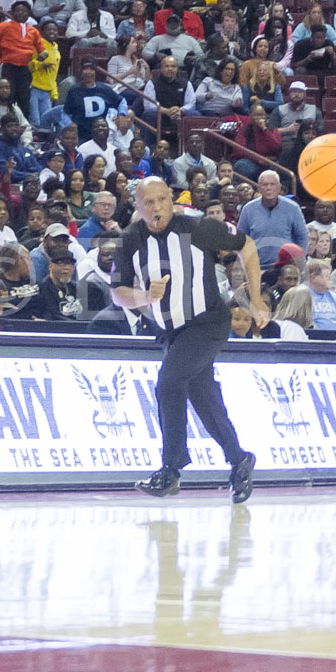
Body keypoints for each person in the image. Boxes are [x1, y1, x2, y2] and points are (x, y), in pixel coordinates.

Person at [112, 177, 267, 501]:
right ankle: (240, 459)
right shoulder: (129, 239)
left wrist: (256, 298)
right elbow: (117, 293)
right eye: (148, 202)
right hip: (171, 332)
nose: (156, 208)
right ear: (137, 206)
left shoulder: (199, 228)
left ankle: (170, 470)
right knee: (205, 400)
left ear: (172, 200)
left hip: (208, 323)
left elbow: (247, 247)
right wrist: (143, 296)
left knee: (169, 383)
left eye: (162, 200)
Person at [0, 0, 49, 117]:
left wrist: (43, 54)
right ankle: (5, 119)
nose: (21, 13)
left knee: (24, 96)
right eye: (18, 11)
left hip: (25, 68)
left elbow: (40, 47)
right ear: (12, 13)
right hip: (8, 65)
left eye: (24, 11)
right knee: (6, 94)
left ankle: (24, 123)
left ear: (29, 14)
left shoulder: (33, 31)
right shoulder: (5, 26)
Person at [236, 170, 308, 267]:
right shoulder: (248, 209)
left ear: (279, 188)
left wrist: (299, 261)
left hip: (286, 267)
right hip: (256, 267)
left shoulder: (293, 208)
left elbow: (302, 237)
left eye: (272, 184)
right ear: (259, 188)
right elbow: (240, 239)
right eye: (265, 185)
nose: (269, 188)